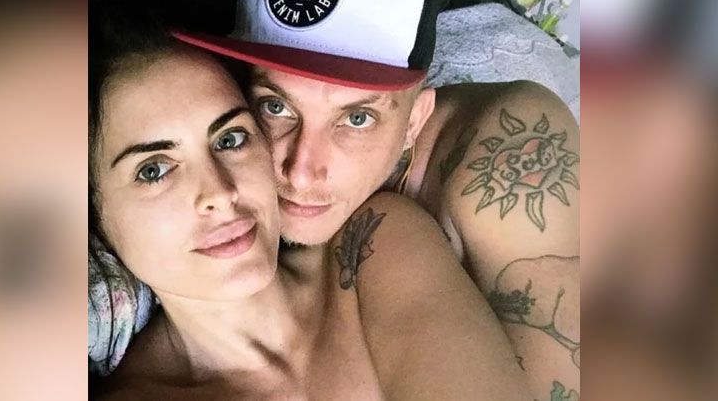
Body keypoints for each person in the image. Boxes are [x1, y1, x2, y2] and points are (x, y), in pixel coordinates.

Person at [172, 0, 580, 397]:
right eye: (276, 107)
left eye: (357, 118)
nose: (301, 173)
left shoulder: (510, 163)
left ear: (414, 121)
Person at [89, 31, 530, 399]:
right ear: (94, 207)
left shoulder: (372, 248)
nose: (220, 193)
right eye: (154, 170)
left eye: (230, 139)